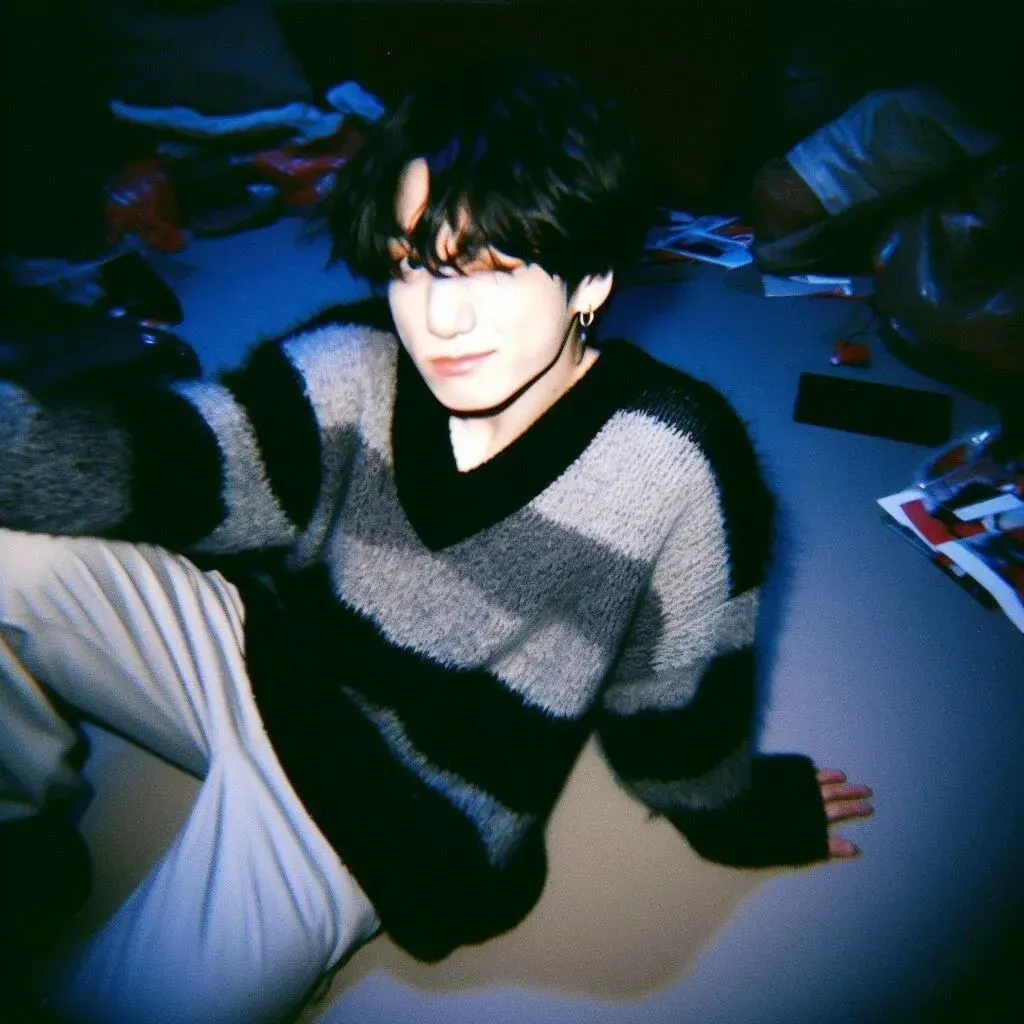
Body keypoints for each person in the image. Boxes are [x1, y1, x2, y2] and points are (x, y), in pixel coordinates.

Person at [0, 61, 872, 1023]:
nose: (439, 318)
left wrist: (745, 812)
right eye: (412, 264)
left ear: (590, 278)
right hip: (260, 655)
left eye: (492, 268)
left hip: (385, 809)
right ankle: (22, 832)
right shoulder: (353, 358)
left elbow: (677, 702)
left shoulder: (674, 462)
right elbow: (173, 462)